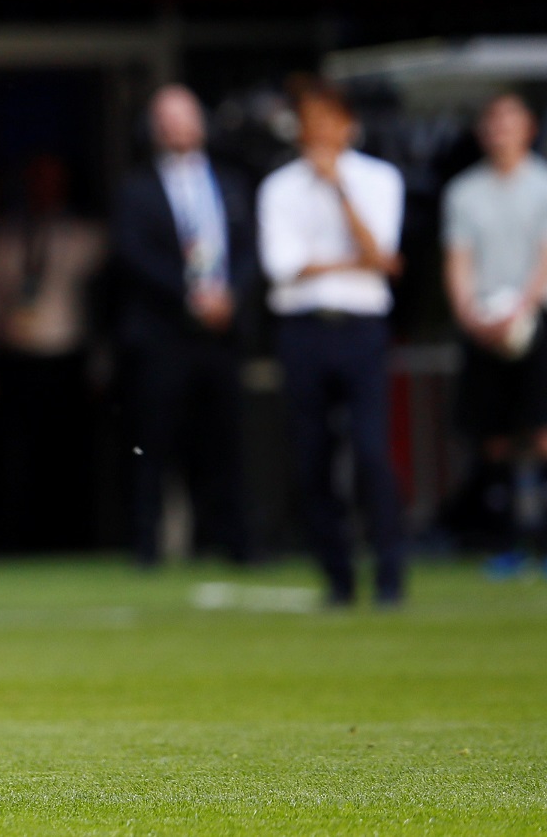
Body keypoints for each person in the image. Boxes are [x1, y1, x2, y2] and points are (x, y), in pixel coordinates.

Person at [258, 81, 406, 607]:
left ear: (348, 125)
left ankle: (390, 574)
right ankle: (338, 578)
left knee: (370, 451)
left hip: (361, 326)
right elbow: (282, 268)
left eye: (328, 119)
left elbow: (383, 256)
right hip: (303, 329)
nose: (319, 131)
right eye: (309, 120)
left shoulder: (378, 179)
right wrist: (355, 262)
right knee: (312, 457)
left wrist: (339, 191)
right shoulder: (278, 187)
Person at [114, 84, 256, 566]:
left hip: (221, 332)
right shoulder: (136, 188)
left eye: (184, 116)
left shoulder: (233, 182)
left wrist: (228, 296)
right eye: (165, 119)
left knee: (226, 443)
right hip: (163, 333)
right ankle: (147, 547)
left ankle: (234, 542)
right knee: (153, 443)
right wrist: (190, 297)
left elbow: (252, 251)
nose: (176, 128)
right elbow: (133, 255)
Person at [443, 93, 547, 581]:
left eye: (510, 119)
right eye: (492, 119)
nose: (500, 128)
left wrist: (521, 310)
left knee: (545, 432)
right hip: (484, 324)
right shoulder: (464, 193)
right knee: (493, 438)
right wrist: (471, 314)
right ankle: (504, 544)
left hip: (536, 319)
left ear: (530, 127)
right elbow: (457, 261)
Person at [0, 154, 106, 550]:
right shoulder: (2, 238)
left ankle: (73, 541)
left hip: (67, 361)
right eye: (36, 179)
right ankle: (17, 544)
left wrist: (101, 364)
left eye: (52, 179)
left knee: (69, 460)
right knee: (14, 462)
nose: (44, 187)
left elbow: (103, 305)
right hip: (17, 361)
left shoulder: (88, 237)